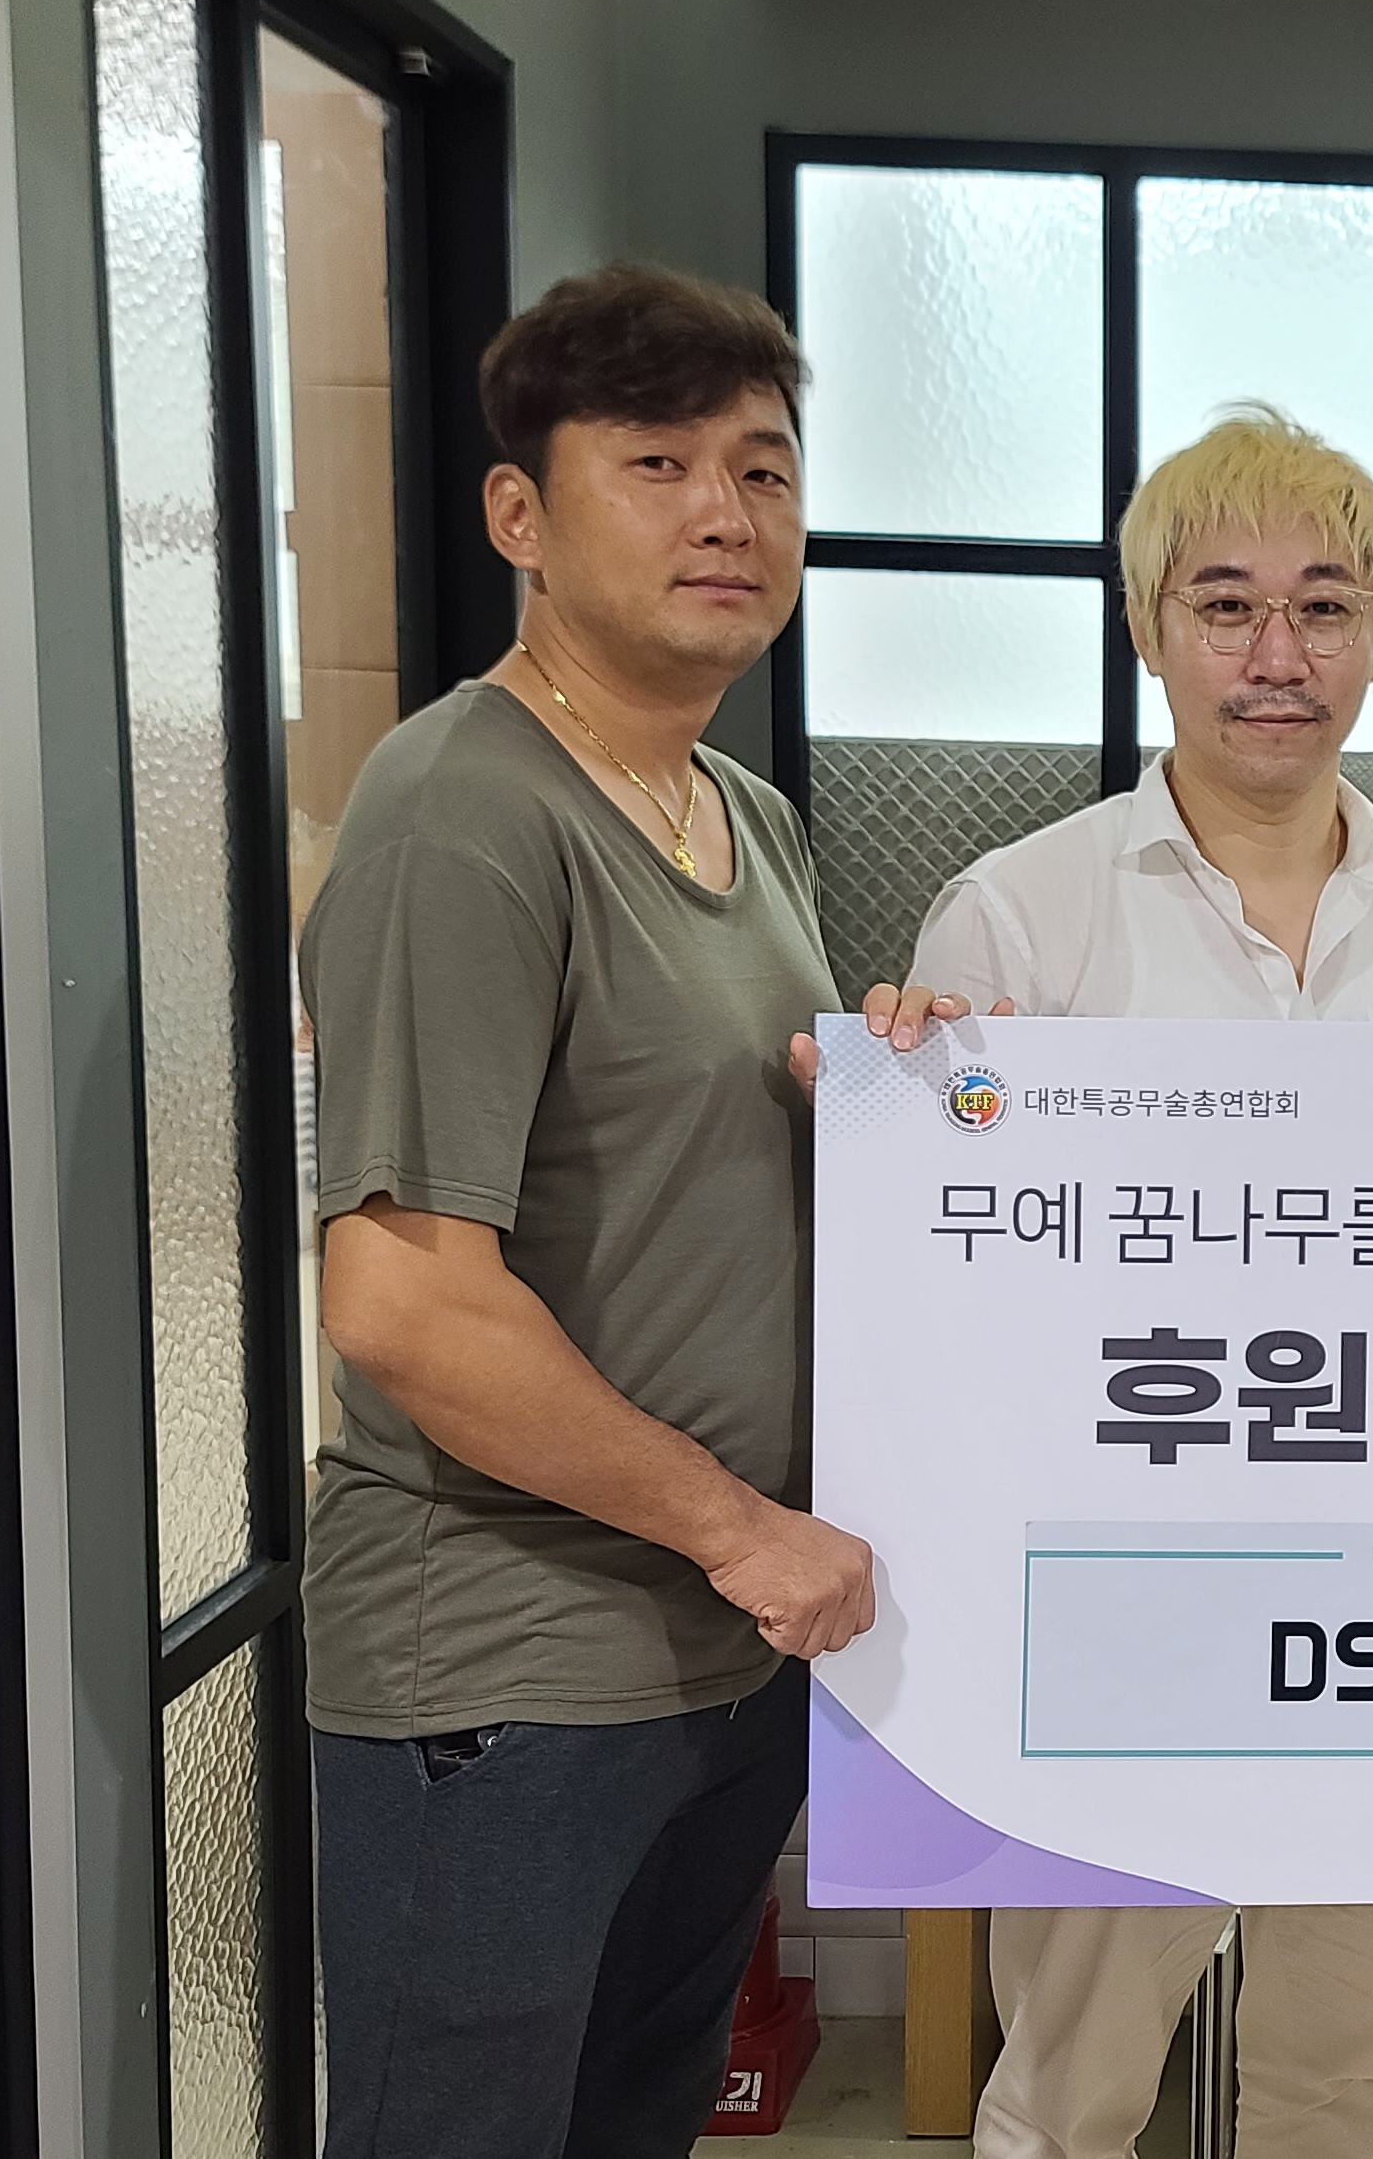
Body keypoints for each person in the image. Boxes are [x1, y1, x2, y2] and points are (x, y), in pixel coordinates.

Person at [843, 405, 1373, 2159]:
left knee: (1342, 2064)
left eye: (1325, 606)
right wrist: (908, 1112)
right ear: (1147, 629)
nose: (1275, 655)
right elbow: (950, 1296)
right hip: (1112, 1600)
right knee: (1070, 2081)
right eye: (1224, 605)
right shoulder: (1016, 914)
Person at [300, 266, 877, 2158]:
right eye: (657, 464)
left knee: (635, 2124)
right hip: (506, 1674)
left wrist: (908, 1092)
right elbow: (403, 1302)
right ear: (520, 515)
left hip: (712, 1663)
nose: (727, 514)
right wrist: (742, 1531)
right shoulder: (462, 810)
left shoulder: (742, 815)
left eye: (764, 470)